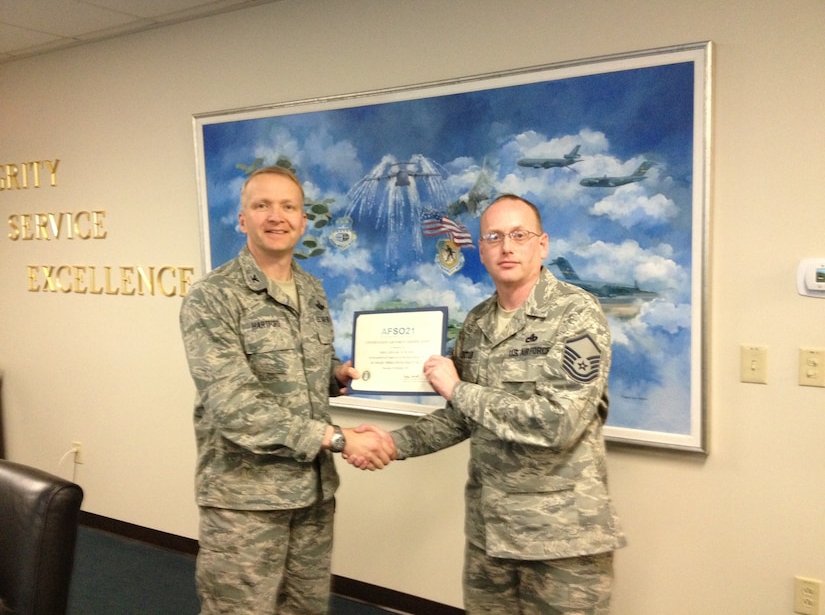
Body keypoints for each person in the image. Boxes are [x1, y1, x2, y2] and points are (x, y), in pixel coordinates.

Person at [353, 194, 625, 613]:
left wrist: (459, 388)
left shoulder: (576, 314)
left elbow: (557, 422)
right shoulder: (478, 323)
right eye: (494, 237)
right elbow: (461, 418)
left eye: (519, 235)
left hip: (560, 539)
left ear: (543, 244)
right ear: (480, 249)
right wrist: (393, 443)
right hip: (490, 534)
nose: (507, 247)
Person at [179, 165, 394, 614]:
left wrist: (337, 374)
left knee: (306, 609)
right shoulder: (212, 296)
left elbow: (302, 367)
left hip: (312, 495)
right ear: (242, 220)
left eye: (288, 206)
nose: (276, 216)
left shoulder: (312, 290)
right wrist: (337, 438)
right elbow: (234, 405)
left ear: (303, 219)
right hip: (246, 500)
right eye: (262, 206)